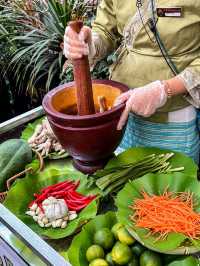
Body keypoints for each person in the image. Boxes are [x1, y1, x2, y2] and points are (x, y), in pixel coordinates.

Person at [64, 0, 200, 163]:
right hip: (121, 106)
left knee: (173, 181)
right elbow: (105, 29)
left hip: (175, 112)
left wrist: (165, 89)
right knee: (126, 174)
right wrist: (91, 43)